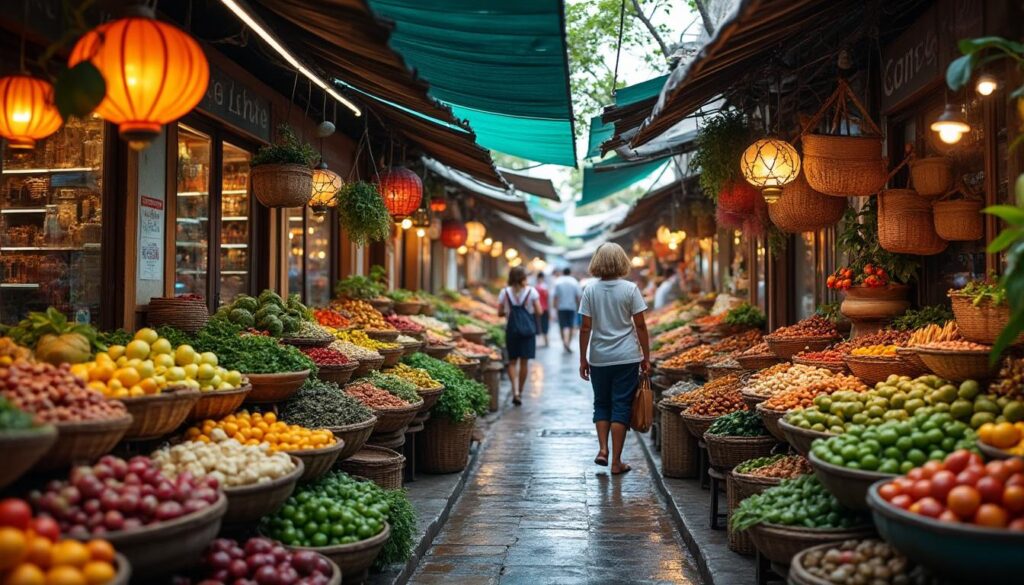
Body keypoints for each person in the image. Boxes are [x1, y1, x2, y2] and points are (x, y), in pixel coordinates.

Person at [578, 243, 650, 475]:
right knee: (621, 405)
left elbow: (585, 328)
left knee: (601, 403)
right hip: (626, 357)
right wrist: (646, 356)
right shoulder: (630, 289)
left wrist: (583, 359)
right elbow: (640, 325)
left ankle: (602, 450)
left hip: (599, 357)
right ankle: (617, 461)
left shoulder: (590, 290)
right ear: (622, 261)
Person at [497, 266, 542, 406]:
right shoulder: (531, 291)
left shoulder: (505, 292)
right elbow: (539, 311)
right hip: (528, 331)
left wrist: (511, 313)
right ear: (523, 277)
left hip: (512, 330)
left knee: (512, 361)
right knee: (524, 362)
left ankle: (515, 391)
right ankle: (520, 393)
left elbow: (499, 313)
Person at [551, 267, 582, 352]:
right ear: (570, 272)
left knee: (562, 326)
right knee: (571, 326)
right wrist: (579, 306)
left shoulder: (558, 281)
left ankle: (564, 342)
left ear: (563, 273)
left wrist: (554, 307)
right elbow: (578, 296)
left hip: (561, 307)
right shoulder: (574, 282)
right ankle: (568, 343)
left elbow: (555, 296)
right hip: (572, 307)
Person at [535, 272, 550, 347]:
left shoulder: (536, 288)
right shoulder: (545, 287)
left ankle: (541, 341)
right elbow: (547, 298)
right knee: (544, 324)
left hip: (538, 309)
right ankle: (546, 340)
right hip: (545, 308)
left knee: (538, 324)